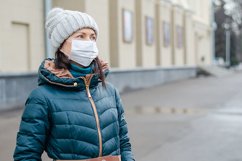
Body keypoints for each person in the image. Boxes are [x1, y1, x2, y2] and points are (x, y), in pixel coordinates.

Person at [13, 8, 135, 161]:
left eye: (92, 37)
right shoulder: (42, 97)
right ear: (61, 45)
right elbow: (26, 155)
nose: (88, 42)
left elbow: (124, 143)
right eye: (80, 36)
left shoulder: (109, 91)